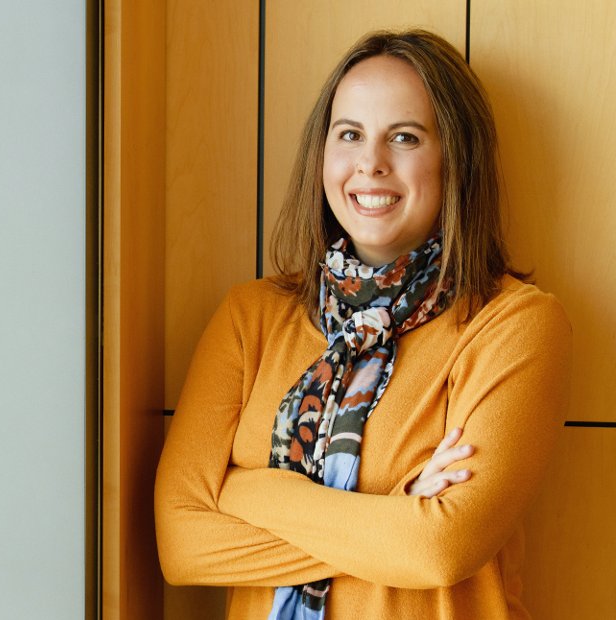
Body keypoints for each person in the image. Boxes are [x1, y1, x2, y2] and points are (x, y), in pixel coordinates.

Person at [153, 29, 571, 620]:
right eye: (349, 134)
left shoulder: (513, 325)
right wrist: (397, 514)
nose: (370, 164)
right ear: (322, 154)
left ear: (456, 157)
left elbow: (438, 548)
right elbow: (182, 544)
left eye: (404, 137)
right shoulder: (251, 317)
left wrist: (249, 489)